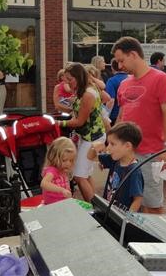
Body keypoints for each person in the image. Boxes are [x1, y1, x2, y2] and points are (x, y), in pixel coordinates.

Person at [112, 36, 166, 213]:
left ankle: (156, 240)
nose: (119, 66)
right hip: (127, 153)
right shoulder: (124, 84)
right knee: (130, 202)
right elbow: (121, 116)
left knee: (153, 204)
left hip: (151, 153)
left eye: (121, 60)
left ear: (133, 54)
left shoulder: (160, 79)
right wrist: (110, 144)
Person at [59, 63, 106, 202]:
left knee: (79, 176)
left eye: (70, 79)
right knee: (86, 174)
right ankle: (95, 203)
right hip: (89, 136)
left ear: (78, 77)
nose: (67, 83)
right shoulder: (86, 89)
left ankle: (93, 208)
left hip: (92, 137)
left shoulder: (88, 94)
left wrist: (59, 123)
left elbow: (79, 122)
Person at [89, 122, 145, 212]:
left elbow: (137, 199)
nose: (108, 148)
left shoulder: (134, 171)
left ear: (127, 146)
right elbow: (90, 157)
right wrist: (93, 147)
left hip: (120, 218)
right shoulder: (114, 159)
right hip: (109, 212)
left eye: (112, 144)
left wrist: (126, 219)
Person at [40, 137, 76, 205]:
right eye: (64, 160)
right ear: (54, 157)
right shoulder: (52, 170)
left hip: (62, 202)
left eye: (71, 160)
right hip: (53, 204)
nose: (68, 163)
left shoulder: (63, 169)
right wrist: (62, 190)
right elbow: (44, 183)